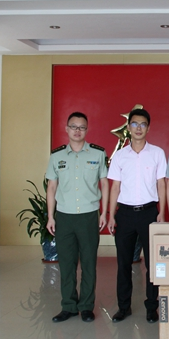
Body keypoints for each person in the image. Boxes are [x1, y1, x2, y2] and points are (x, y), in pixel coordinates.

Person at [45, 112, 109, 323]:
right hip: (64, 216)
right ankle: (69, 306)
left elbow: (104, 183)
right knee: (66, 264)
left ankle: (86, 307)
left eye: (82, 127)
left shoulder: (98, 154)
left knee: (89, 263)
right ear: (67, 129)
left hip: (89, 215)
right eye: (73, 126)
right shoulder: (57, 156)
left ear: (87, 130)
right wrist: (50, 216)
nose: (77, 131)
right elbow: (51, 187)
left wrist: (103, 212)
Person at [107, 108, 167, 324]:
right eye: (134, 124)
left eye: (143, 124)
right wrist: (111, 215)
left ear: (148, 128)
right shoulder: (120, 156)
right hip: (124, 214)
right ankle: (123, 307)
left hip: (149, 213)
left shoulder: (157, 153)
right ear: (128, 127)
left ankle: (152, 307)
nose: (138, 128)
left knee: (153, 263)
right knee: (123, 263)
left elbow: (161, 184)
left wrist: (162, 212)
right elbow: (115, 187)